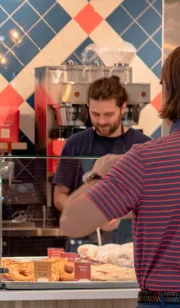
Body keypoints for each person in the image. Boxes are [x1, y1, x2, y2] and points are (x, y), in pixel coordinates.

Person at [61, 45, 180, 307]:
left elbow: (71, 223)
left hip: (164, 303)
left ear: (168, 91)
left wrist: (98, 175)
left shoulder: (144, 159)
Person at [52, 76, 151, 250]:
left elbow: (152, 199)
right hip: (83, 245)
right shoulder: (75, 144)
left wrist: (119, 214)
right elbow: (59, 195)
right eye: (95, 114)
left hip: (129, 246)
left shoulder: (143, 145)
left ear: (122, 108)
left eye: (108, 114)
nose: (102, 121)